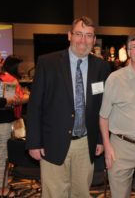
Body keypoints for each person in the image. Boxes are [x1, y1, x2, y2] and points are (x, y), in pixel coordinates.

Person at [26, 16, 110, 198]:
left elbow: (102, 106)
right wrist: (34, 142)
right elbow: (34, 106)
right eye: (79, 34)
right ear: (69, 35)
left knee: (81, 193)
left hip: (85, 143)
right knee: (55, 193)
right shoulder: (48, 62)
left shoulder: (101, 67)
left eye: (88, 36)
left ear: (94, 40)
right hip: (52, 142)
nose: (83, 40)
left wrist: (100, 140)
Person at [99, 32, 135, 198]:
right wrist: (107, 146)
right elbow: (103, 116)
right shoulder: (115, 79)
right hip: (120, 147)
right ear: (129, 52)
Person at [0, 49, 19, 198]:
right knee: (2, 155)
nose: (1, 65)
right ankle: (1, 188)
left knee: (2, 155)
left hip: (1, 122)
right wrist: (7, 101)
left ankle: (2, 184)